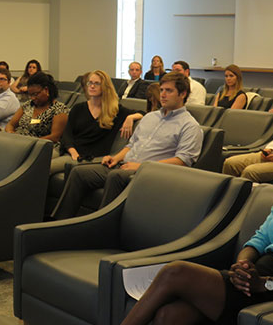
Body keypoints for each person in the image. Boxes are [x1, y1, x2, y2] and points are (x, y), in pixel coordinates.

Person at [92, 123, 273, 325]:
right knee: (168, 317)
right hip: (253, 279)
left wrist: (265, 283)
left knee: (176, 271)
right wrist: (242, 264)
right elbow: (259, 239)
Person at [52, 72, 203, 220]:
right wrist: (115, 158)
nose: (162, 94)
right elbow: (131, 145)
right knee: (79, 172)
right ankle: (60, 221)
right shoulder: (150, 117)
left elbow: (182, 161)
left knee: (116, 176)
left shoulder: (189, 126)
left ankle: (100, 227)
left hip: (150, 173)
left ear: (182, 94)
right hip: (125, 165)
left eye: (169, 91)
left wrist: (140, 166)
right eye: (162, 90)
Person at [56, 70, 137, 172]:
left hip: (90, 158)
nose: (92, 86)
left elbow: (143, 113)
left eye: (97, 83)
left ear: (105, 87)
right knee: (40, 160)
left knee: (45, 167)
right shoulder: (78, 108)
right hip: (71, 152)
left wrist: (130, 118)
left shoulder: (114, 111)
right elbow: (67, 134)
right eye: (90, 83)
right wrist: (73, 152)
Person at [4, 72, 69, 151]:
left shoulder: (59, 109)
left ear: (46, 90)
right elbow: (10, 124)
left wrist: (28, 142)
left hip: (40, 147)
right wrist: (11, 134)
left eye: (35, 94)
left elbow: (54, 137)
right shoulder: (28, 105)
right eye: (30, 95)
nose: (32, 98)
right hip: (18, 142)